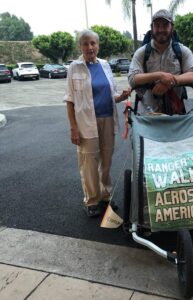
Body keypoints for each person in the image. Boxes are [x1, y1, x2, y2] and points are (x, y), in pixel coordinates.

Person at [64, 29, 131, 217]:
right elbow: (69, 100)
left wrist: (122, 96)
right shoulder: (74, 68)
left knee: (107, 161)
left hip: (107, 119)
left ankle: (105, 196)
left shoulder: (105, 65)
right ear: (80, 46)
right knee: (89, 162)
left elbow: (112, 96)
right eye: (85, 43)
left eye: (93, 43)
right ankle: (91, 200)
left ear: (98, 45)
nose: (90, 47)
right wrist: (73, 128)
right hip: (86, 123)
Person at [128, 9, 193, 114]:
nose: (161, 29)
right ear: (151, 28)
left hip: (175, 116)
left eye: (165, 25)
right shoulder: (141, 53)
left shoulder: (182, 51)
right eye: (157, 25)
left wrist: (171, 81)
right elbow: (132, 78)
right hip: (148, 117)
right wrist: (160, 75)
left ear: (172, 28)